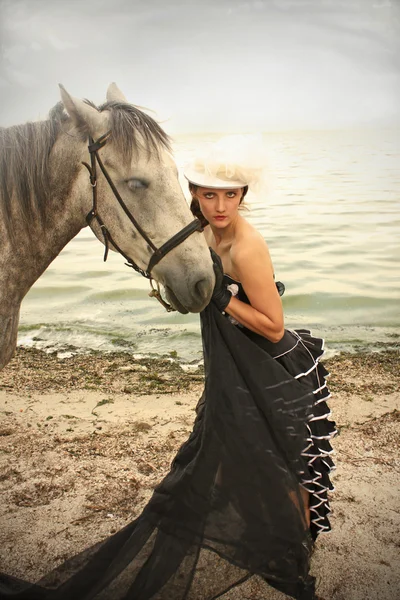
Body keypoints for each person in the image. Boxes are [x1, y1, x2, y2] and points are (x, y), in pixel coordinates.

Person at [0, 137, 335, 600]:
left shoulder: (247, 245)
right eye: (208, 194)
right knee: (238, 449)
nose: (219, 206)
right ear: (193, 193)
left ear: (243, 197)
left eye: (230, 195)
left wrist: (223, 298)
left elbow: (274, 327)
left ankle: (295, 553)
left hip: (266, 364)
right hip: (231, 361)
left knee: (283, 458)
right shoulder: (194, 232)